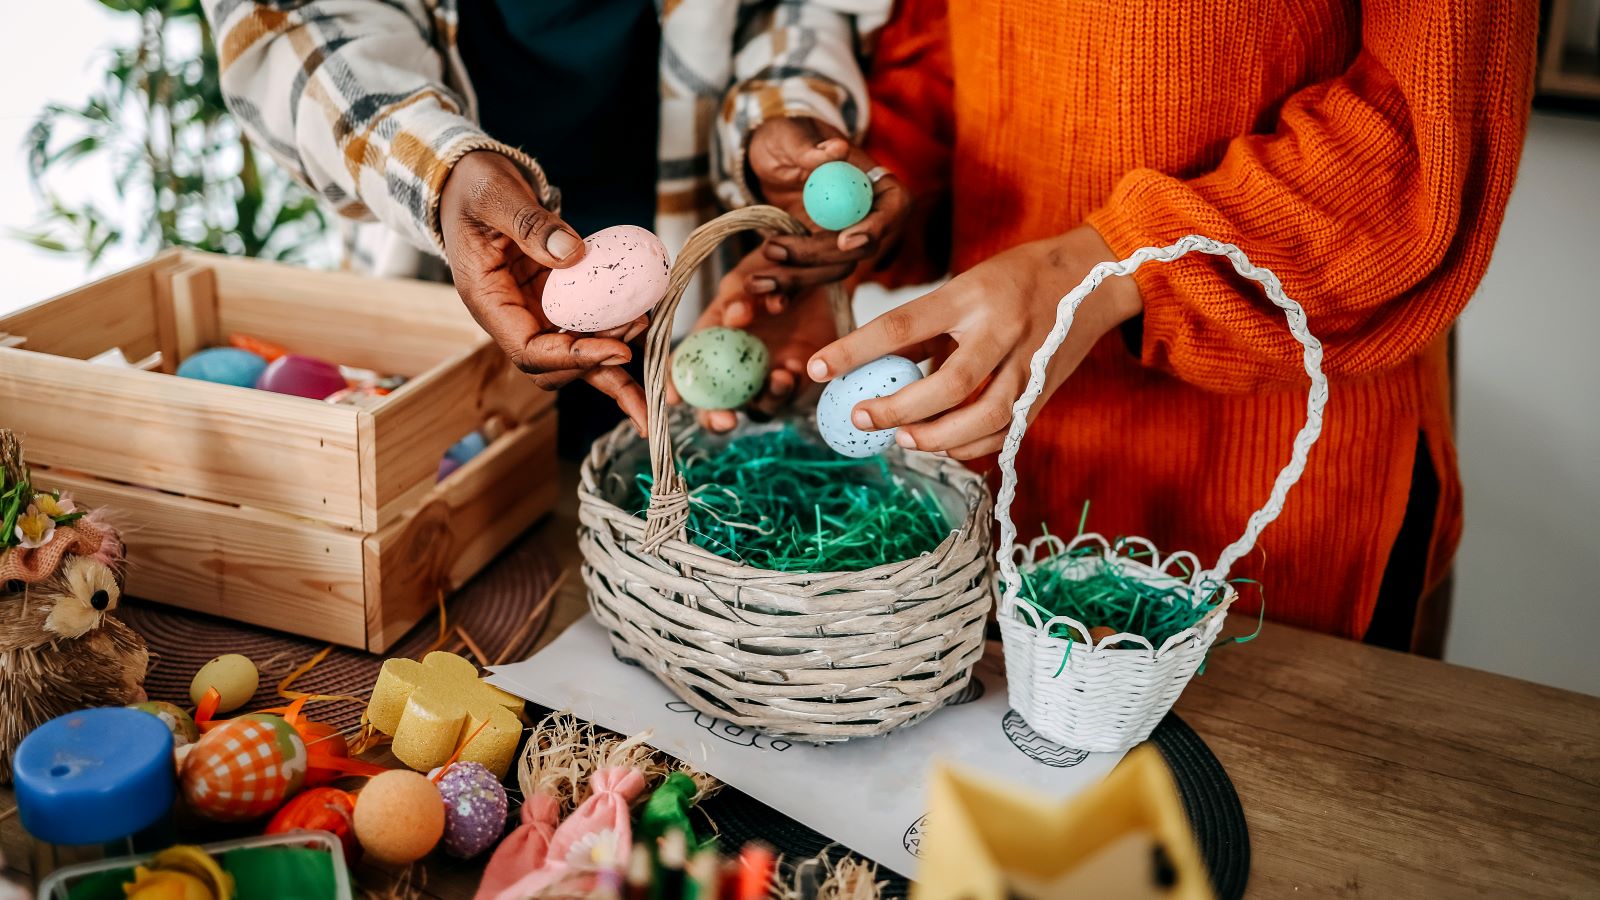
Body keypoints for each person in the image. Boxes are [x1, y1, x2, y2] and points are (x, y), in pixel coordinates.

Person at [703, 0, 1537, 647]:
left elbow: (1420, 133)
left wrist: (1101, 269)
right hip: (1014, 483)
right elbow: (946, 57)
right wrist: (866, 211)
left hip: (1273, 506)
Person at [199, 0, 901, 450]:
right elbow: (292, 23)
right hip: (450, 278)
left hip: (708, 289)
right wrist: (442, 173)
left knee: (679, 458)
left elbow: (795, 10)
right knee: (471, 477)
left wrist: (783, 120)